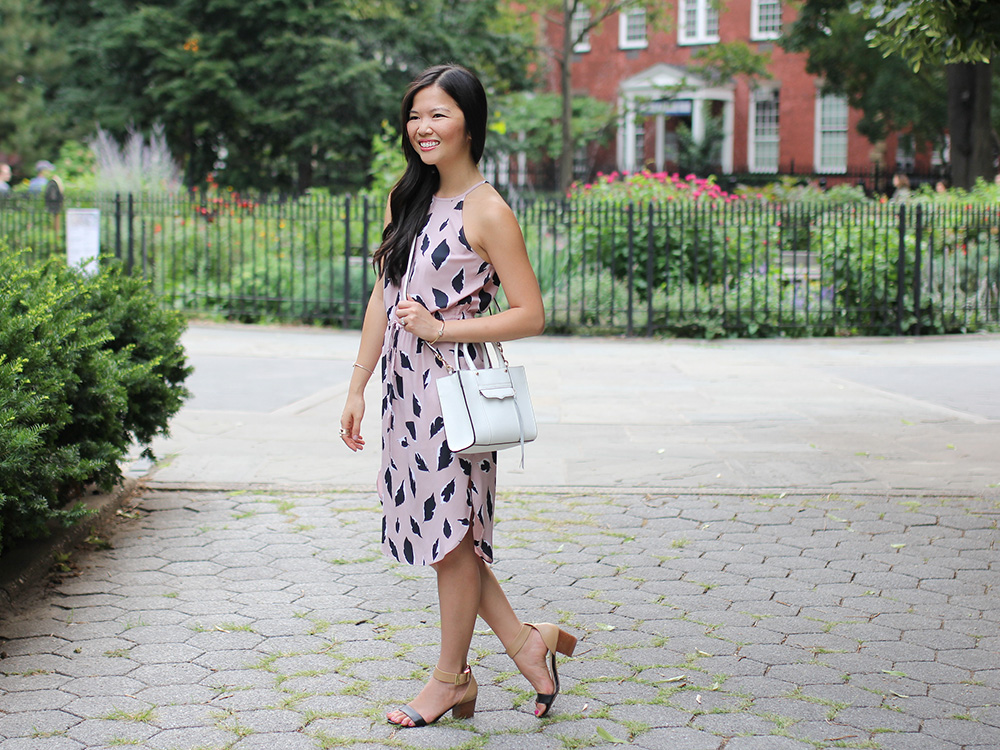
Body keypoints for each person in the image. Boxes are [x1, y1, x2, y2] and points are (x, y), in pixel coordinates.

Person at [339, 64, 575, 728]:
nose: (423, 127)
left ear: (470, 120)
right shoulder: (406, 200)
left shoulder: (488, 209)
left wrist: (445, 327)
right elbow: (382, 302)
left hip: (458, 392)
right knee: (451, 538)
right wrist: (357, 385)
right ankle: (530, 646)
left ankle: (449, 681)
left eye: (438, 113)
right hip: (404, 392)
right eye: (415, 115)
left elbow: (530, 313)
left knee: (452, 540)